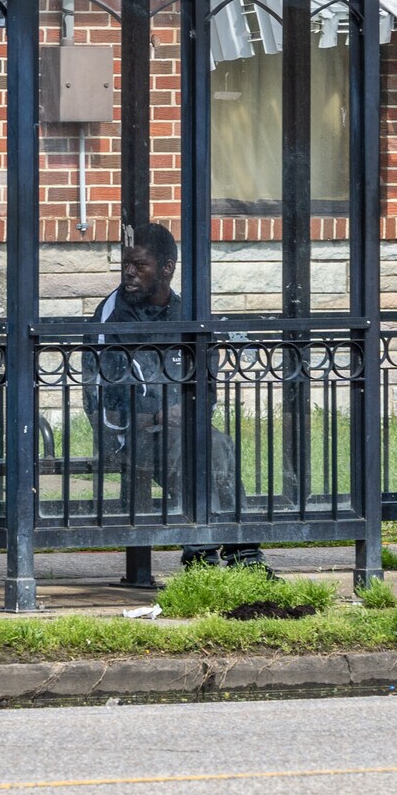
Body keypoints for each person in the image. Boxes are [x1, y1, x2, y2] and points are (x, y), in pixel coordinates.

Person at [89, 222, 265, 571]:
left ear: (166, 268)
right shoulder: (109, 316)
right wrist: (155, 418)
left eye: (140, 265)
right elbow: (100, 406)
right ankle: (218, 556)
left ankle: (229, 555)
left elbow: (207, 386)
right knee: (199, 448)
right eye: (126, 264)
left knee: (216, 445)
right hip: (126, 437)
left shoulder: (187, 315)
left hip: (181, 433)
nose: (129, 273)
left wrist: (186, 410)